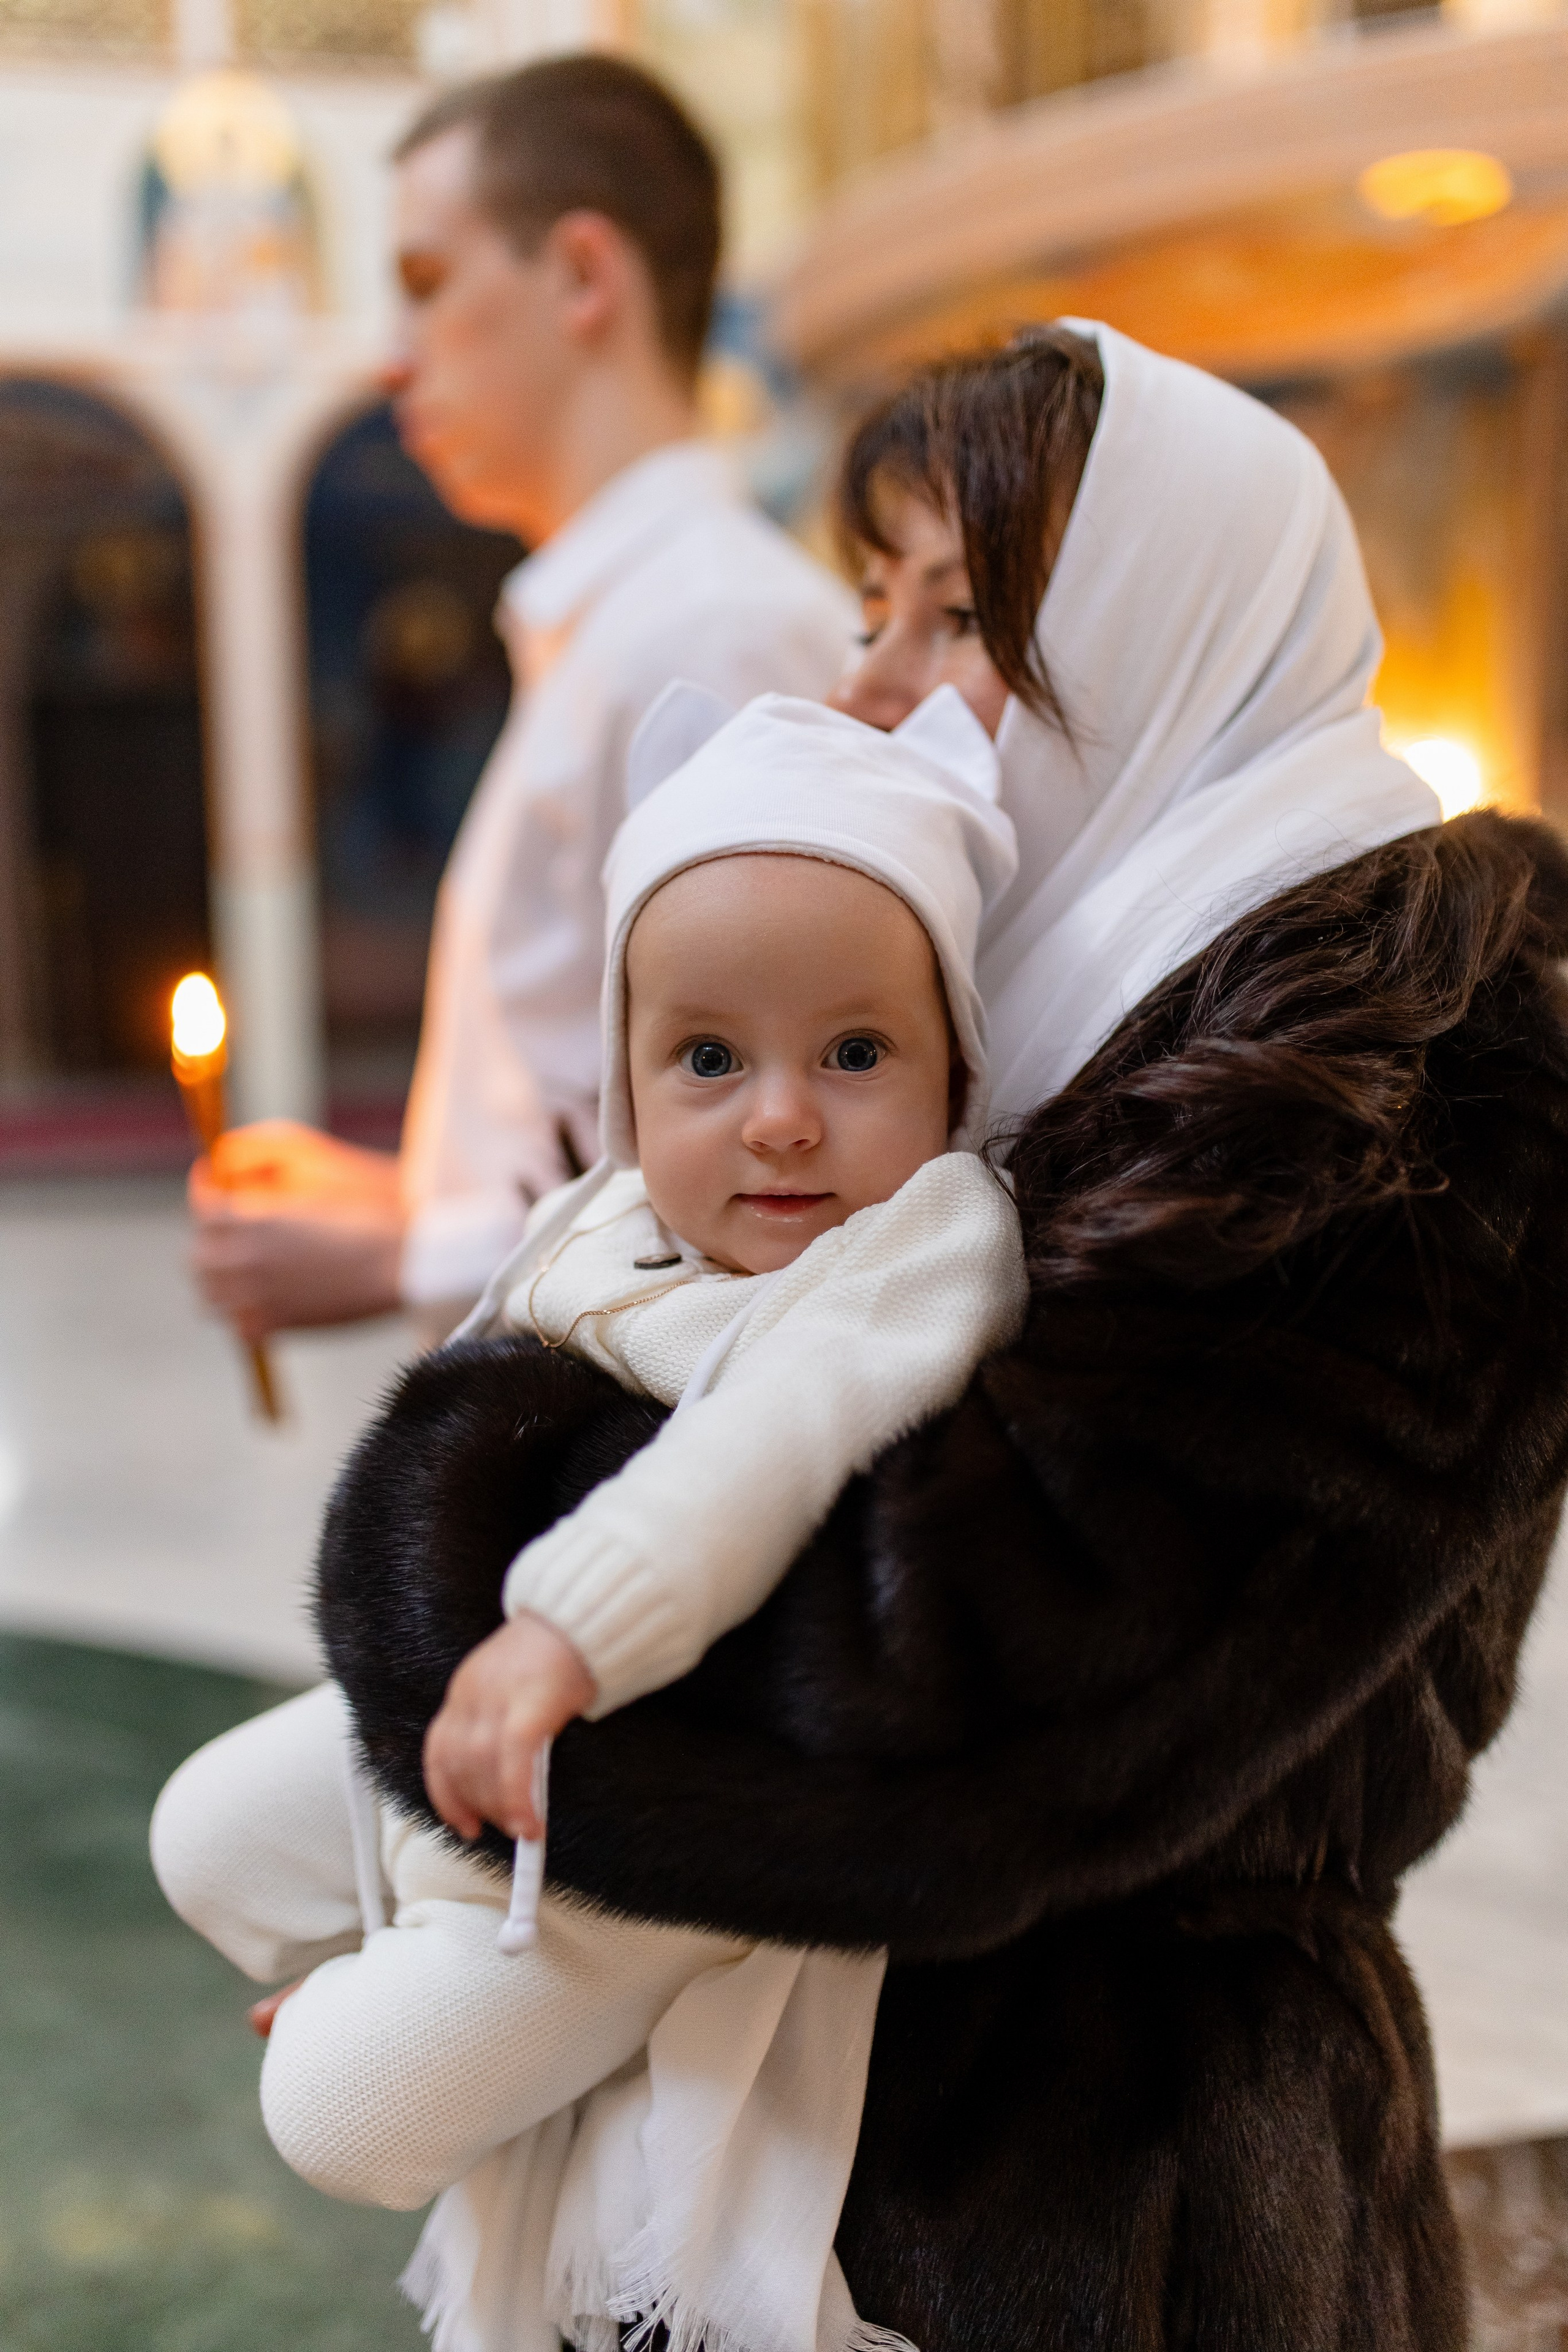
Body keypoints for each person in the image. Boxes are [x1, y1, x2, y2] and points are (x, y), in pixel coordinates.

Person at [285, 323, 1568, 2350]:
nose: (866, 680)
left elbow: (923, 1689)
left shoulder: (1375, 1104)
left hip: (1124, 2196)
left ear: (1173, 644)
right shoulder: (1077, 1014)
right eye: (873, 600)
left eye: (953, 616)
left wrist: (469, 1554)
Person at [152, 689, 1026, 2352]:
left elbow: (765, 1448)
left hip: (683, 1808)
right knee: (199, 1831)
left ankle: (449, 2021)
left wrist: (564, 1627)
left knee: (328, 2115)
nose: (778, 1117)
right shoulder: (611, 1217)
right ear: (625, 1085)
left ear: (956, 1069)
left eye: (856, 1052)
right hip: (515, 1715)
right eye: (710, 1058)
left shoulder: (922, 1244)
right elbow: (474, 1378)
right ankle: (435, 1965)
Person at [189, 55, 854, 1346]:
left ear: (584, 277)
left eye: (429, 285)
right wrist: (412, 1195)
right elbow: (605, 1110)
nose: (393, 361)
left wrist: (411, 1250)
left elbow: (788, 1160)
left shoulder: (709, 633)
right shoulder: (621, 626)